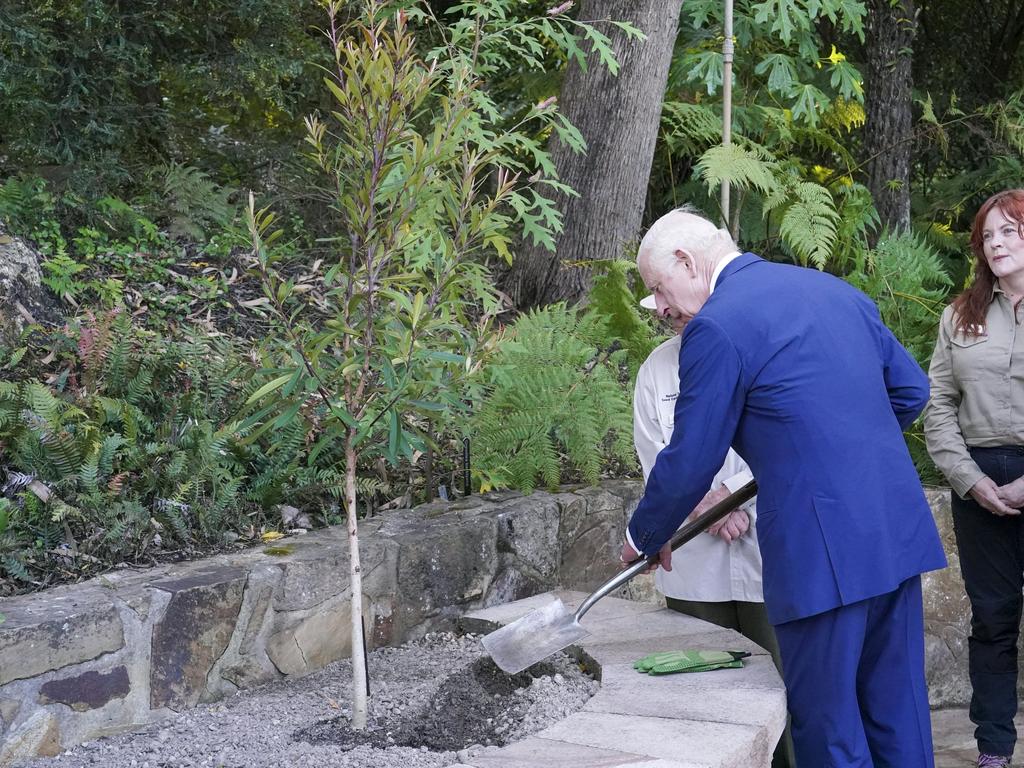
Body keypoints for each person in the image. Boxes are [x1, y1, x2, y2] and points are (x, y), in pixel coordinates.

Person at [621, 207, 947, 767]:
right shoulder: (833, 290)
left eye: (659, 287)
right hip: (891, 533)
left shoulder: (716, 326)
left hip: (820, 552)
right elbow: (911, 391)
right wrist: (838, 455)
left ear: (686, 260)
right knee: (899, 713)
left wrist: (643, 534)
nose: (662, 306)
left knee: (828, 726)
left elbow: (692, 457)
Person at [633, 303, 795, 768]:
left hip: (768, 549)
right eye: (662, 304)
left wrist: (730, 495)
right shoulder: (656, 369)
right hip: (693, 559)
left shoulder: (762, 353)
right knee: (710, 691)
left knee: (784, 687)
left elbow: (781, 442)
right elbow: (654, 455)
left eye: (678, 301)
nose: (670, 313)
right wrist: (708, 505)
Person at [924, 188, 1024, 768]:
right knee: (992, 617)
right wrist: (970, 479)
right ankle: (994, 746)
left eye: (1008, 231)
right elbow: (938, 403)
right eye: (987, 236)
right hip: (979, 481)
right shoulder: (958, 316)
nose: (995, 244)